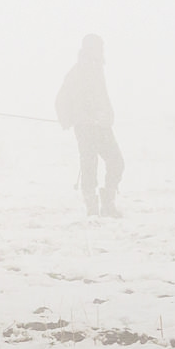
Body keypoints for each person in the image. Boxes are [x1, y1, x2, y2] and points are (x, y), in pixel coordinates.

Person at [55, 33, 124, 217]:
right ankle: (93, 209)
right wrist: (67, 119)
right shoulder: (76, 72)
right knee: (89, 166)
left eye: (101, 47)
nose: (101, 51)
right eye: (98, 47)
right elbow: (61, 99)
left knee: (117, 162)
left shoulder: (98, 70)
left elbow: (103, 99)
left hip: (103, 127)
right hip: (85, 128)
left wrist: (108, 116)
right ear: (88, 49)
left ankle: (108, 205)